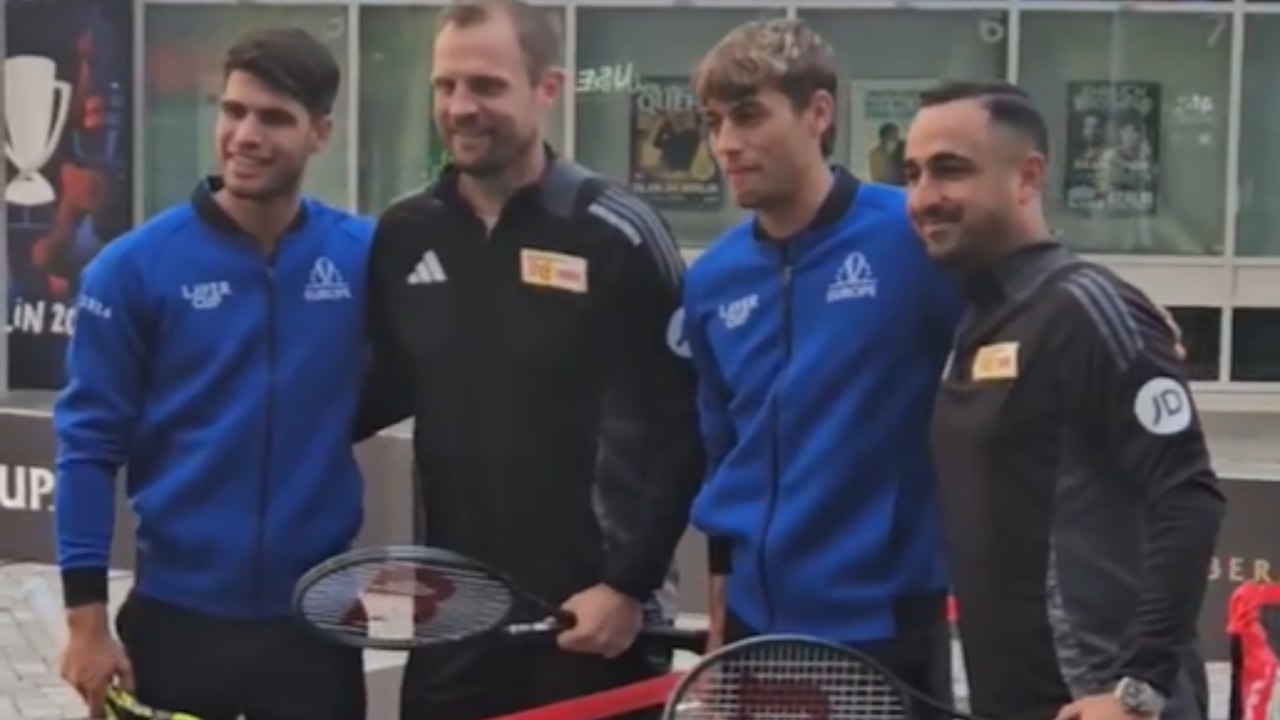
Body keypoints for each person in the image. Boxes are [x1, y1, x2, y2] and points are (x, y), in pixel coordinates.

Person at [353, 1, 703, 718]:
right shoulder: (404, 233)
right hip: (451, 617)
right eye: (445, 86)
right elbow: (377, 390)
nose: (460, 107)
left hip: (589, 622)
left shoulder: (618, 233)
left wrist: (627, 587)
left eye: (486, 85)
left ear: (549, 88)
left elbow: (684, 422)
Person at [54, 28, 371, 720]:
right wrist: (86, 624)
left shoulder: (361, 257)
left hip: (316, 629)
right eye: (233, 110)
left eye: (274, 118)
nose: (244, 135)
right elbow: (86, 448)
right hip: (175, 624)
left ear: (320, 133)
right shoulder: (133, 268)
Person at [904, 80, 1224, 720]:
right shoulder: (974, 316)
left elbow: (1189, 497)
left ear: (1028, 178)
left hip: (1104, 704)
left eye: (951, 170)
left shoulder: (1087, 309)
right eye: (912, 174)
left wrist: (1139, 689)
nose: (923, 197)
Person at [681, 18, 960, 716]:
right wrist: (720, 626)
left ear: (819, 114)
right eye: (715, 123)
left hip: (885, 626)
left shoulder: (911, 234)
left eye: (749, 117)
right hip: (753, 629)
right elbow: (725, 458)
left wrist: (1130, 314)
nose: (726, 145)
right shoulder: (713, 279)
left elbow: (1035, 285)